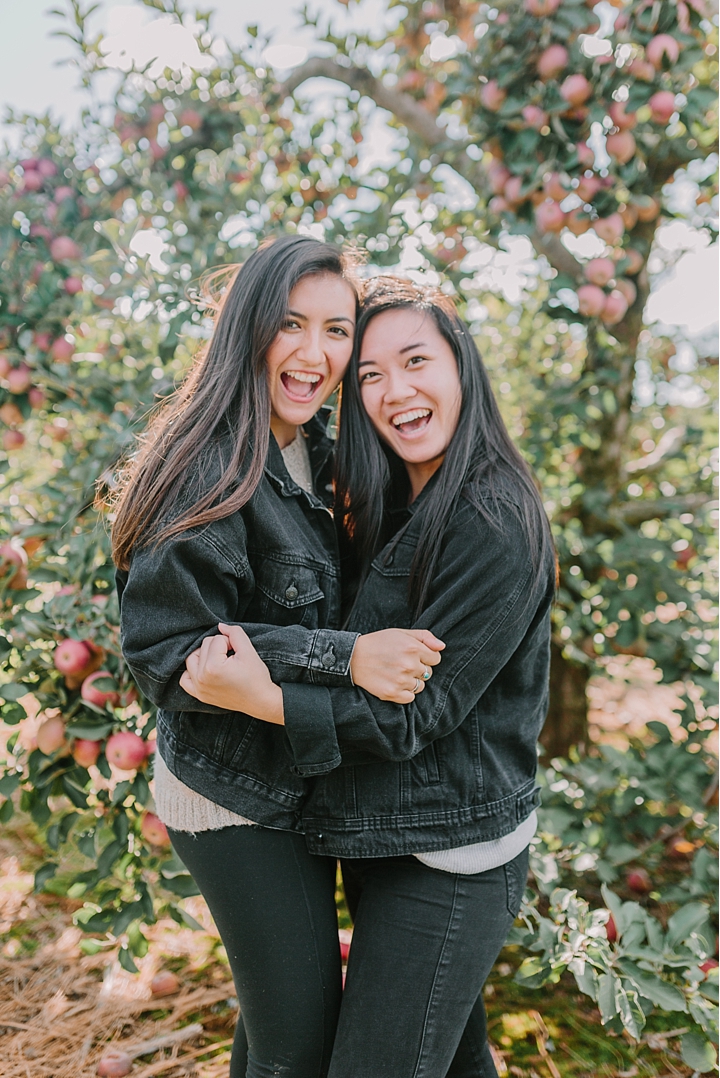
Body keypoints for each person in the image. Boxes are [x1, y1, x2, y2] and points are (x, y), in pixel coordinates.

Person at [180, 276, 555, 1078]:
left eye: (415, 360)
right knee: (448, 1059)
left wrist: (264, 697)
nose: (395, 391)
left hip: (450, 854)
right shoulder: (386, 500)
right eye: (371, 377)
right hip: (386, 835)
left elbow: (411, 718)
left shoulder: (492, 521)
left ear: (463, 368)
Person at [112, 235, 446, 1077]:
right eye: (291, 325)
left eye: (338, 331)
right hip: (233, 794)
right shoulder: (207, 464)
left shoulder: (325, 453)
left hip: (297, 770)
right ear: (248, 328)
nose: (315, 353)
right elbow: (165, 650)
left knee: (277, 1030)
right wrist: (346, 657)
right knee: (299, 1048)